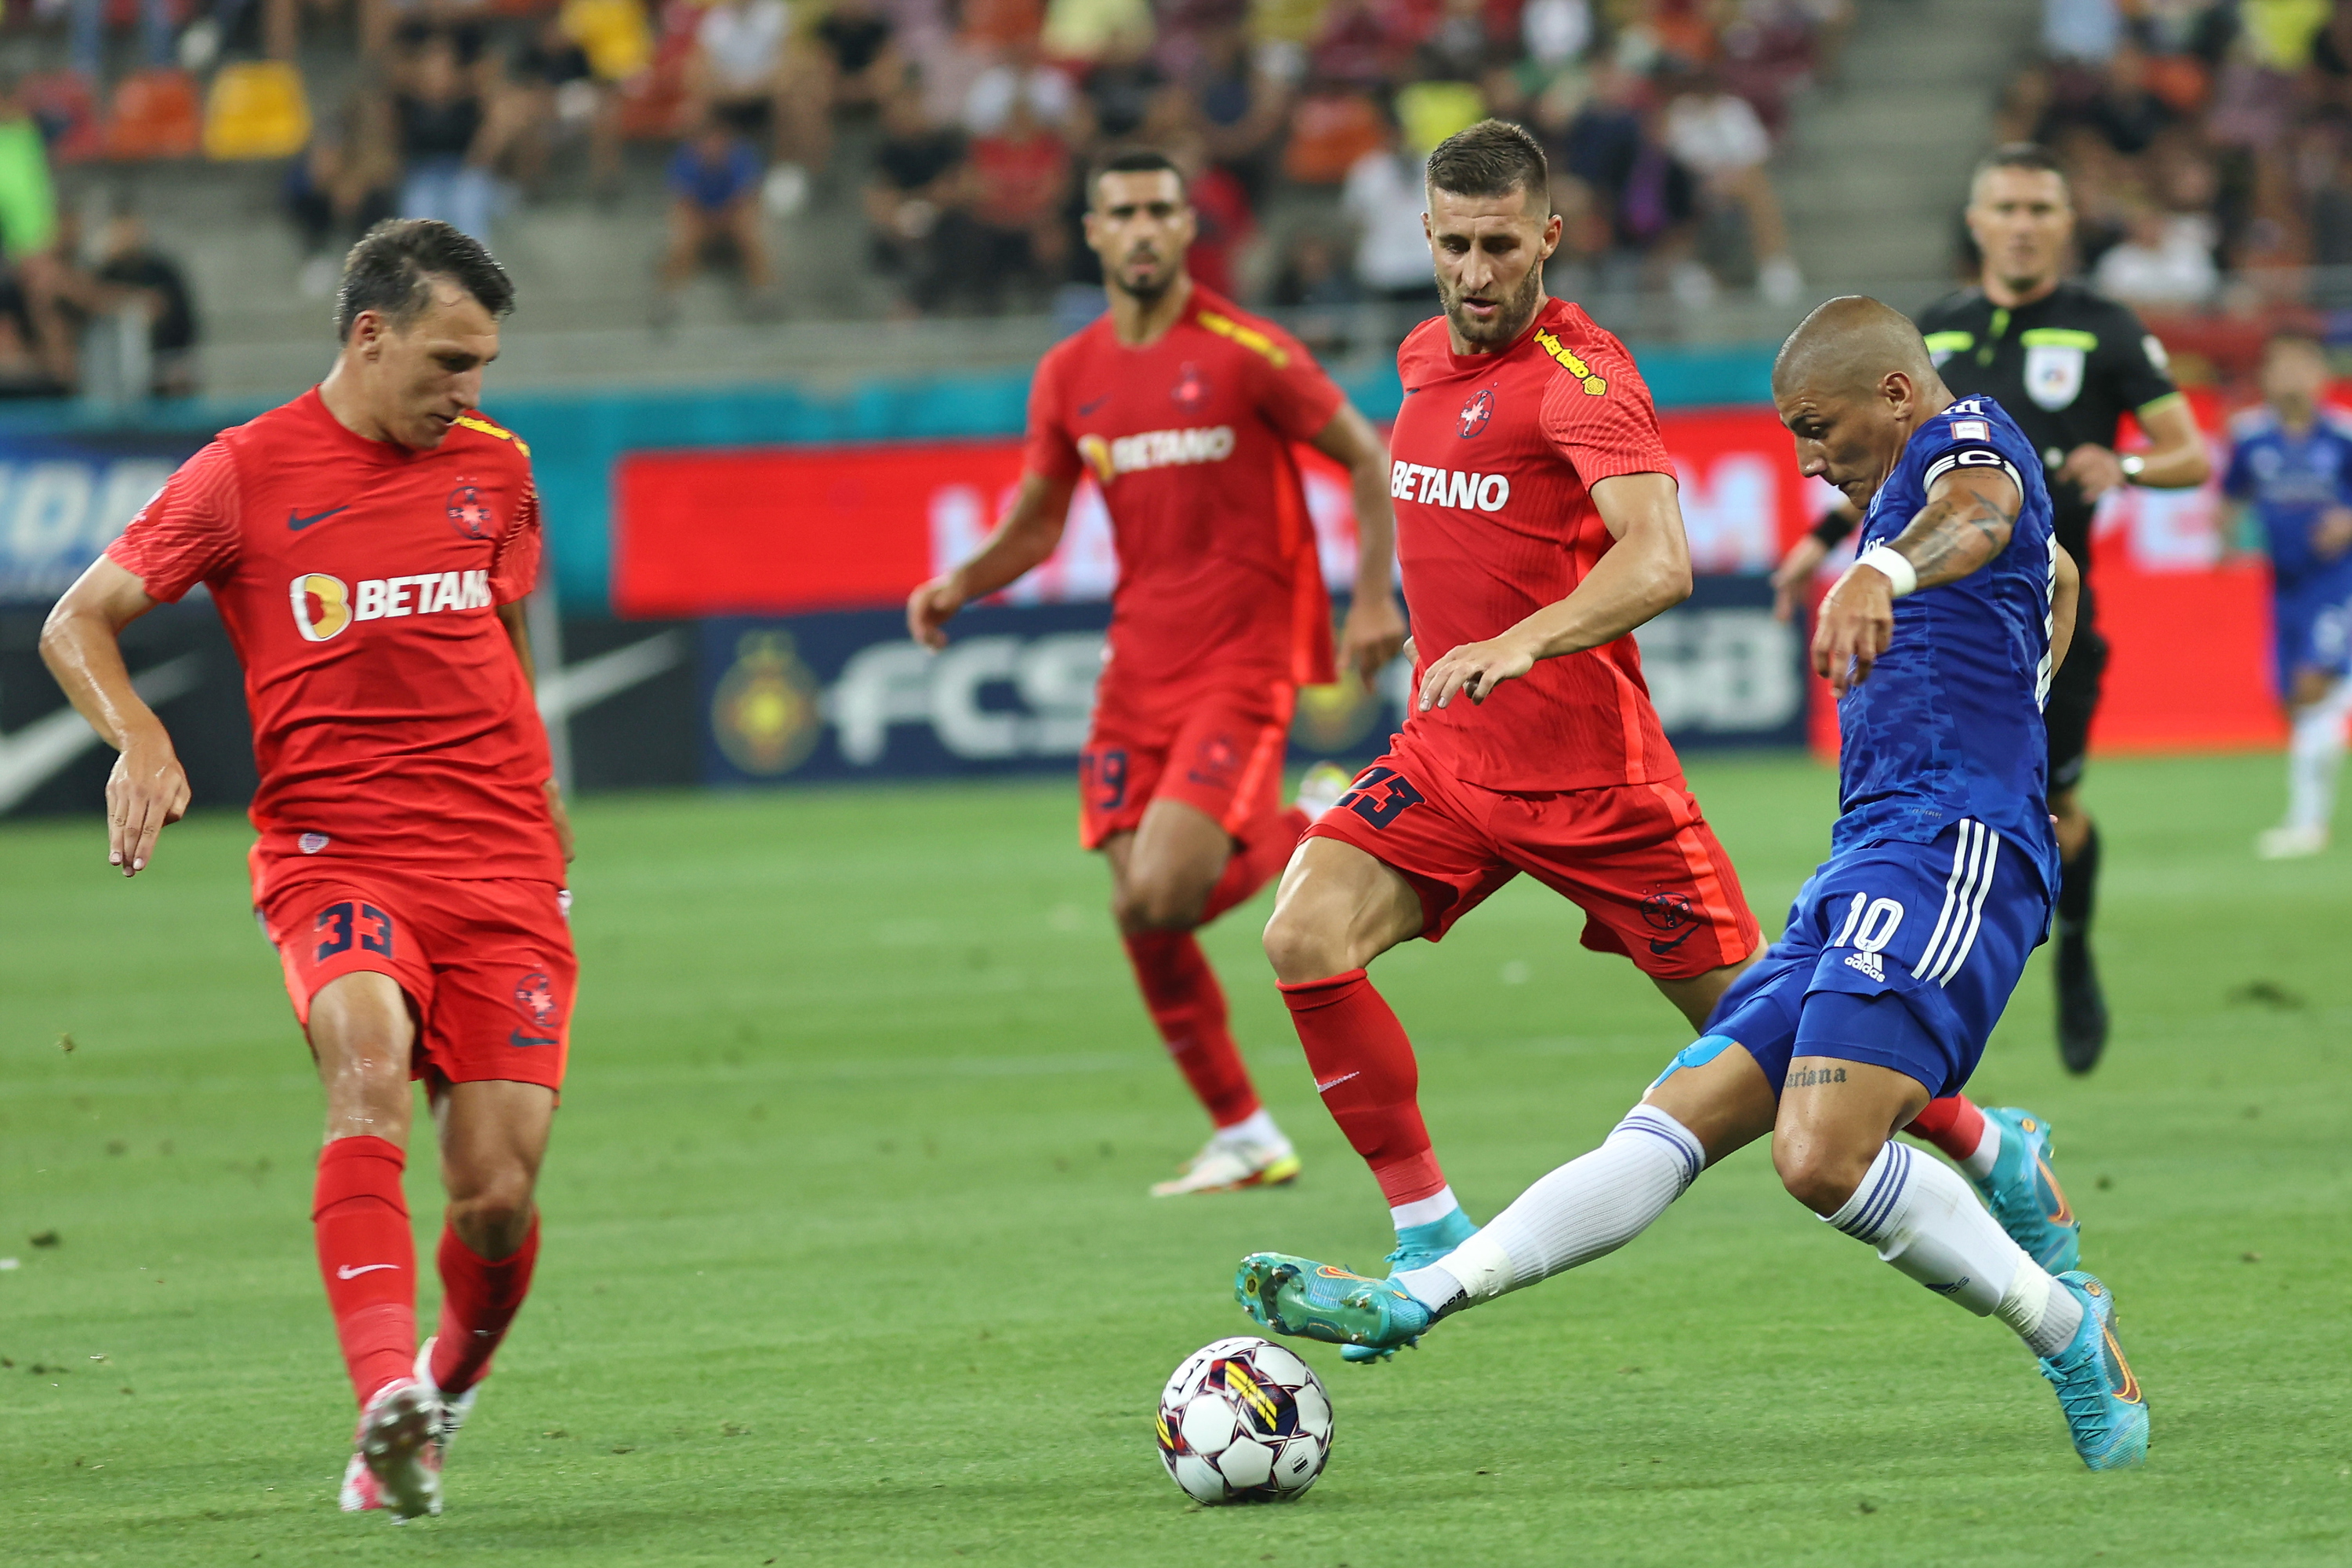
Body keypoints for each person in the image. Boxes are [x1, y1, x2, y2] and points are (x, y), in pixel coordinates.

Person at [1236, 296, 2150, 1475]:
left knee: (1818, 1156)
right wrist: (2013, 670)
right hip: (1865, 857)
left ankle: (2076, 1336)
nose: (1807, 457)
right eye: (1789, 435)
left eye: (1817, 428)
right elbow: (2056, 576)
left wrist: (1883, 574)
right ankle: (1429, 1293)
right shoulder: (1889, 489)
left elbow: (1980, 517)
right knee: (1672, 1123)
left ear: (1893, 394)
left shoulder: (1964, 440)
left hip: (1956, 848)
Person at [39, 220, 573, 1523]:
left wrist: (540, 808)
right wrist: (142, 735)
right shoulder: (243, 472)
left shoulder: (495, 471)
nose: (470, 390)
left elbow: (494, 635)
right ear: (368, 333)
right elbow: (79, 621)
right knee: (367, 1072)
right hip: (335, 850)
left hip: (501, 859)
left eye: (486, 363)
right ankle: (381, 1393)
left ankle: (437, 1400)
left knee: (495, 1198)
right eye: (450, 359)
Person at [906, 148, 1409, 1198]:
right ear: (1091, 232)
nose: (1141, 229)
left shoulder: (1245, 350)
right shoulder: (1070, 374)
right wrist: (962, 581)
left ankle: (1316, 815)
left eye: (1159, 212)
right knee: (1140, 909)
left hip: (1246, 654)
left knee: (1171, 888)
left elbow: (1366, 456)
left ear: (1189, 228)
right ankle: (1243, 1133)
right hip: (1137, 664)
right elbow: (1040, 522)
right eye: (1121, 212)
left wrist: (1370, 599)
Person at [1772, 143, 2210, 1075]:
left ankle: (2071, 947)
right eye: (2005, 207)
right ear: (1977, 223)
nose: (2021, 224)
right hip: (1933, 592)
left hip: (2034, 598)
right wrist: (1824, 541)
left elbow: (2190, 455)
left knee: (2054, 807)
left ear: (2064, 224)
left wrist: (2123, 465)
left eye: (2040, 209)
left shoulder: (2105, 327)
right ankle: (1927, 999)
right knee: (2001, 803)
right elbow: (1887, 461)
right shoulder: (1937, 330)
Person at [2222, 330, 2352, 858]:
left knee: (2312, 686)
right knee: (2294, 701)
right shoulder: (2252, 437)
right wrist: (2225, 542)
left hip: (2337, 582)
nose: (2293, 377)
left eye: (2304, 365)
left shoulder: (2343, 436)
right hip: (2285, 585)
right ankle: (2309, 816)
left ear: (2322, 375)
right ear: (2266, 377)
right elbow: (2232, 496)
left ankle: (2308, 824)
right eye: (2283, 366)